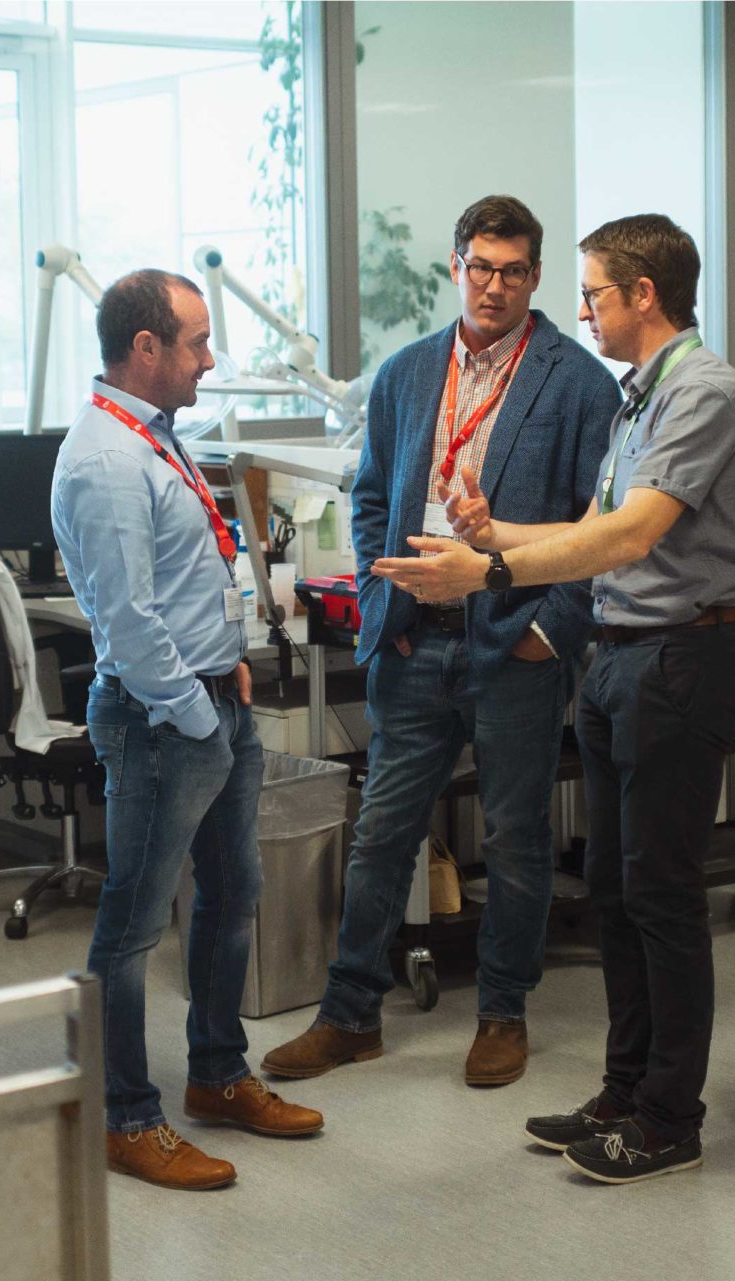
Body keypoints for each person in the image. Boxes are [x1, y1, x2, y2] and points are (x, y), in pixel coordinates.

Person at [371, 214, 735, 1184]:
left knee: (666, 900)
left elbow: (631, 537)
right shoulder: (642, 398)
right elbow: (589, 521)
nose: (581, 308)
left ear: (642, 296)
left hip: (683, 660)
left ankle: (671, 1117)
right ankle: (625, 1090)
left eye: (593, 292)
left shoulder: (704, 392)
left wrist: (489, 577)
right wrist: (490, 531)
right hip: (625, 663)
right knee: (621, 896)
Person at [262, 195, 620, 1088]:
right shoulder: (407, 373)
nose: (493, 285)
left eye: (512, 270)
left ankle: (502, 1012)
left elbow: (599, 526)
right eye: (479, 266)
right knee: (382, 829)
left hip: (514, 643)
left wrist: (551, 628)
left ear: (534, 278)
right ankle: (350, 1014)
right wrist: (388, 596)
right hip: (416, 640)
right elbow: (375, 492)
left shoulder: (577, 382)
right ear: (455, 267)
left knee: (516, 836)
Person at [52, 268, 322, 1192]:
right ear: (146, 350)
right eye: (198, 342)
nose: (212, 358)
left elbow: (177, 580)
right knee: (131, 924)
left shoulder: (154, 436)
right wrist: (199, 707)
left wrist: (226, 663)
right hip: (164, 718)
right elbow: (127, 622)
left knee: (233, 889)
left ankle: (215, 1074)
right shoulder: (106, 462)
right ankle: (125, 1115)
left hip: (213, 698)